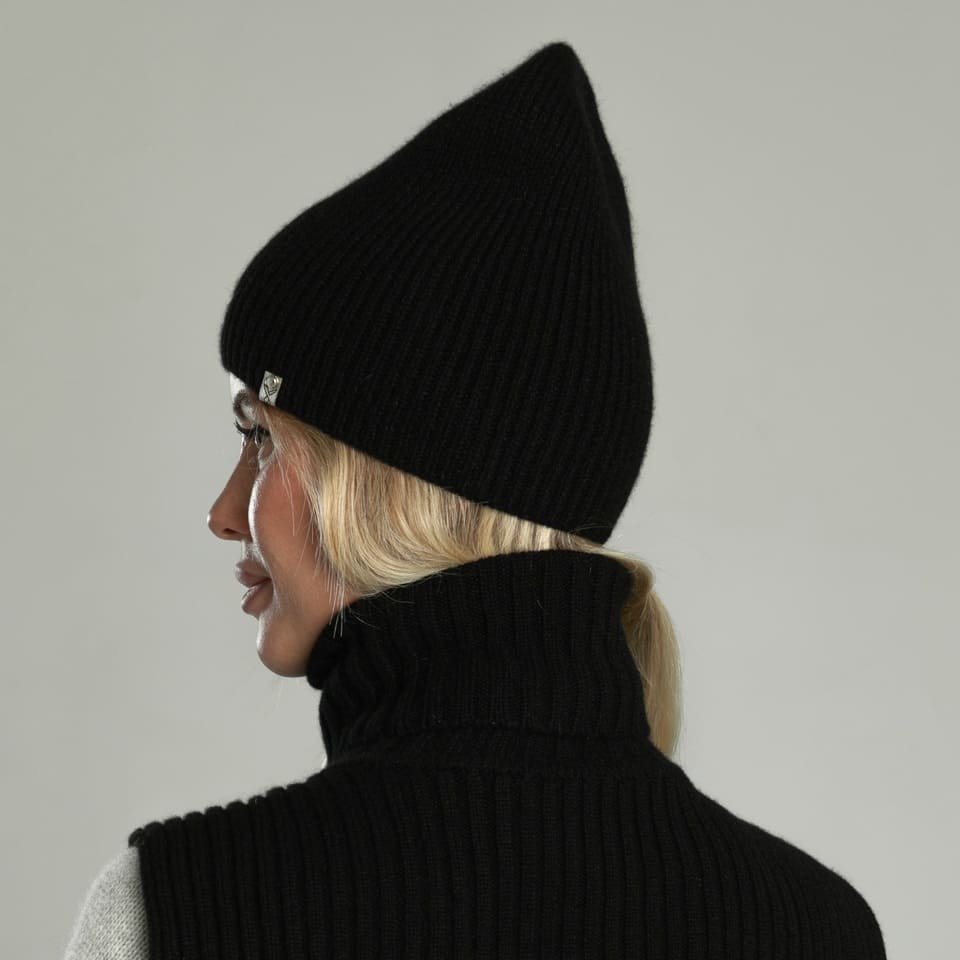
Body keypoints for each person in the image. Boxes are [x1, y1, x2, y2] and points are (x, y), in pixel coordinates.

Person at [63, 40, 887, 959]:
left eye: (260, 437)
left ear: (379, 482)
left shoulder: (178, 912)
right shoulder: (818, 929)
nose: (225, 511)